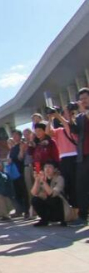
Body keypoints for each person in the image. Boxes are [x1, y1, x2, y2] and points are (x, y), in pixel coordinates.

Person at [68, 88, 89, 227]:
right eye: (81, 99)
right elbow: (74, 131)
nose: (83, 101)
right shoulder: (80, 116)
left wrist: (84, 111)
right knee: (81, 186)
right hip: (83, 155)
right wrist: (70, 116)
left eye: (85, 98)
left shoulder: (84, 113)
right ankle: (82, 216)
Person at [31, 161, 74, 227]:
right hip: (49, 207)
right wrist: (37, 180)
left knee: (53, 199)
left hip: (59, 207)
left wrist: (43, 182)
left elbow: (52, 193)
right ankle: (44, 220)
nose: (47, 169)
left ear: (55, 169)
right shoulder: (43, 177)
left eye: (50, 167)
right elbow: (34, 193)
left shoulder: (59, 178)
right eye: (45, 167)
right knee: (35, 200)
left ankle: (62, 219)